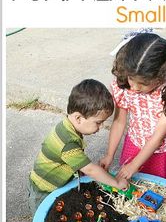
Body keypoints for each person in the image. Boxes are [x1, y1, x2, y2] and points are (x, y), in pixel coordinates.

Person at [100, 32, 166, 183]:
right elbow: (119, 122)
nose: (134, 87)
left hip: (161, 153)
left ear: (160, 76)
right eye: (131, 79)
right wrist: (109, 155)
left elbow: (157, 138)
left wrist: (134, 164)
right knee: (132, 187)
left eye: (143, 83)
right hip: (134, 145)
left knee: (159, 190)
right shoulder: (124, 86)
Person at [28, 79, 128, 214]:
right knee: (46, 215)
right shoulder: (68, 142)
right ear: (78, 118)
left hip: (57, 181)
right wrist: (116, 183)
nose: (100, 127)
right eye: (98, 123)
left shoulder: (68, 127)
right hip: (45, 190)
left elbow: (74, 161)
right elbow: (90, 170)